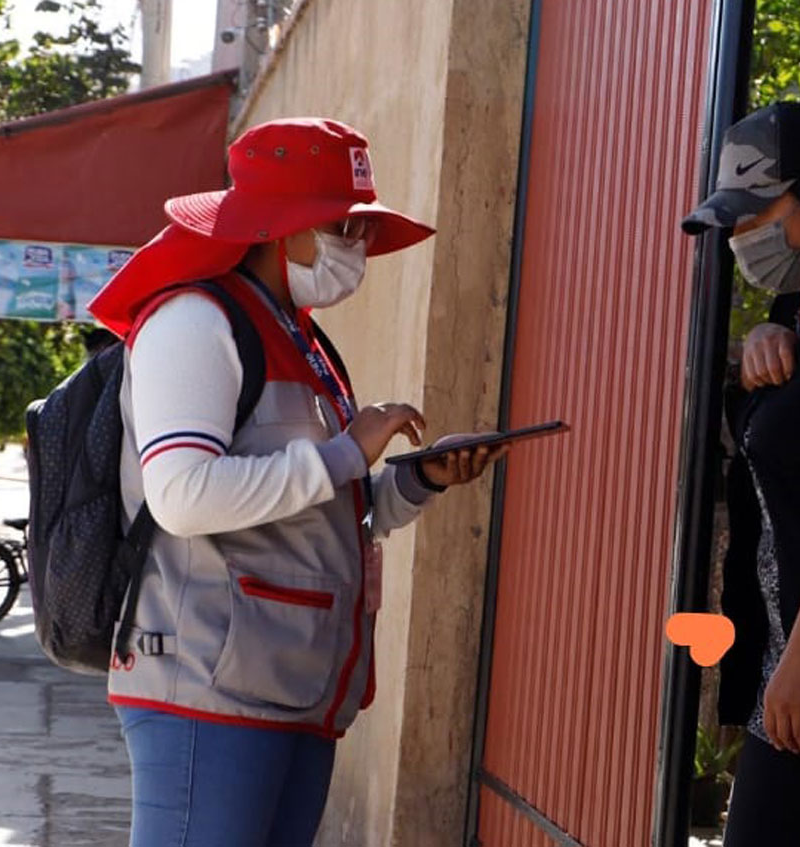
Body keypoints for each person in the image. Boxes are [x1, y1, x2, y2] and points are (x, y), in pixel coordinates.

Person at [87, 118, 501, 847]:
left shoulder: (299, 336)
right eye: (344, 224)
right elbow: (183, 496)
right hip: (206, 687)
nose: (359, 244)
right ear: (283, 228)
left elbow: (316, 515)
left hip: (291, 686)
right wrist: (347, 453)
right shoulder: (195, 320)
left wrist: (417, 481)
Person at [682, 101, 800, 846]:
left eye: (758, 213)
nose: (742, 236)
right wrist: (763, 338)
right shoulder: (796, 307)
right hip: (783, 668)